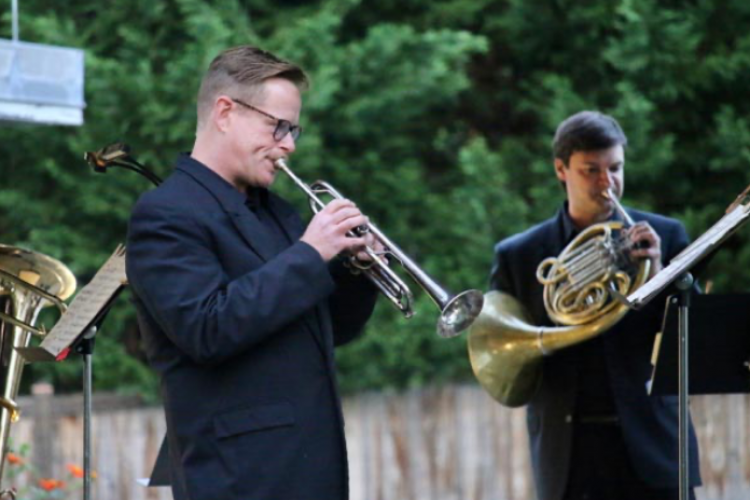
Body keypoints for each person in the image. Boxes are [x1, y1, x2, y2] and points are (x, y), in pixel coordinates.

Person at [126, 46, 379, 500]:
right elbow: (206, 329)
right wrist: (309, 254)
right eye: (277, 126)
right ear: (225, 112)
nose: (289, 145)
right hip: (238, 478)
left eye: (293, 129)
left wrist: (355, 270)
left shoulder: (277, 212)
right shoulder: (165, 213)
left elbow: (328, 330)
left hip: (310, 468)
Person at [489, 111, 701, 500]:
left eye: (615, 168)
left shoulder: (666, 237)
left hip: (653, 444)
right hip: (570, 454)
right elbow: (503, 347)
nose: (608, 183)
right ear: (560, 169)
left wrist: (655, 271)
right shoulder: (518, 256)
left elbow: (692, 336)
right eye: (591, 170)